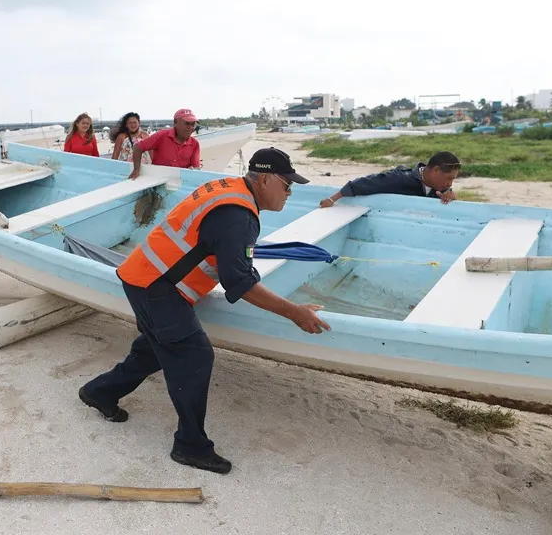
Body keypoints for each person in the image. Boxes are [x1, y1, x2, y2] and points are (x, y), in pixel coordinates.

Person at [79, 147, 331, 474]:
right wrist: (295, 312)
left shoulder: (230, 190)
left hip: (143, 276)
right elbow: (238, 282)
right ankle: (190, 446)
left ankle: (98, 391)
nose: (289, 192)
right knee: (194, 355)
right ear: (265, 179)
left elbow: (224, 258)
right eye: (287, 185)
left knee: (157, 348)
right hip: (156, 287)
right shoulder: (238, 217)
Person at [319, 151, 461, 207]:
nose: (449, 183)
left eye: (453, 180)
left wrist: (448, 195)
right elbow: (366, 183)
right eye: (449, 178)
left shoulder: (440, 188)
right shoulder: (399, 179)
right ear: (435, 170)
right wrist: (333, 199)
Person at [127, 108, 200, 179]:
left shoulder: (195, 144)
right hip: (157, 180)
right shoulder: (161, 136)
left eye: (192, 124)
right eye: (187, 123)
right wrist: (136, 169)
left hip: (179, 183)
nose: (190, 128)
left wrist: (193, 170)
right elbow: (138, 147)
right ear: (175, 122)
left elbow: (195, 168)